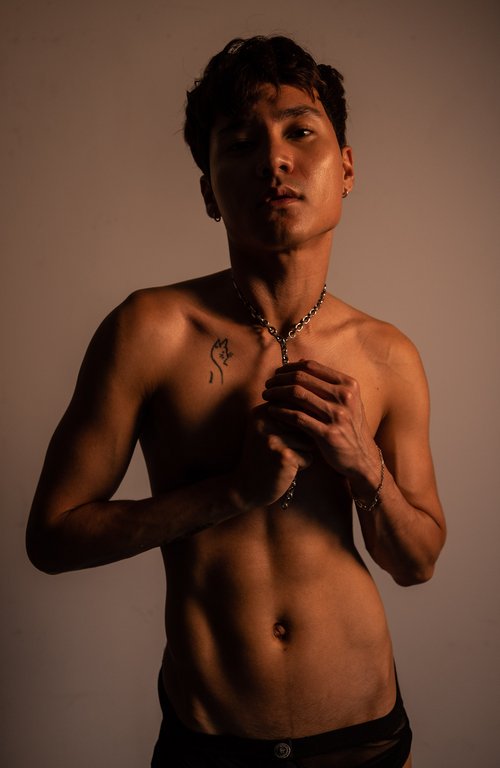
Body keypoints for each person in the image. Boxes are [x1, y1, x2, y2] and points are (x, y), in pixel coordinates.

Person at [27, 35, 446, 768]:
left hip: (364, 736)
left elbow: (417, 563)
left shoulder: (389, 356)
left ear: (346, 168)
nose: (274, 160)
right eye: (242, 143)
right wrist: (233, 492)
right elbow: (53, 538)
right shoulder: (150, 331)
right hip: (210, 741)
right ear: (208, 192)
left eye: (300, 132)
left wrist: (364, 464)